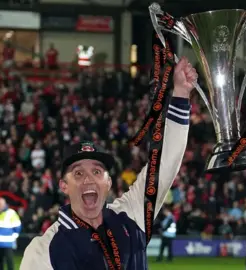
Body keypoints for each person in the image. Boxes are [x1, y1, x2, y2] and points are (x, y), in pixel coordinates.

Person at [20, 57, 197, 270]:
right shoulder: (43, 250)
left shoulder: (130, 215)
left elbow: (165, 164)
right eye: (78, 173)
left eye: (97, 171)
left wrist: (181, 94)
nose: (89, 179)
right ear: (63, 186)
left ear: (109, 183)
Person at [0, 198, 21, 270]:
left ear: (4, 204)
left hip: (8, 243)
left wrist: (14, 237)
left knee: (10, 262)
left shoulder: (11, 213)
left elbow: (17, 226)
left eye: (1, 204)